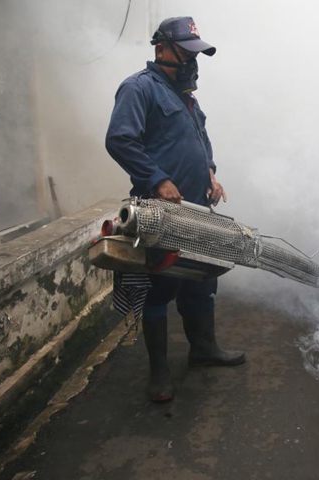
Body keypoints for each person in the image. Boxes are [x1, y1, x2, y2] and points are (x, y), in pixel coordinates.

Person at [105, 16, 245, 404]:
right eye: (186, 53)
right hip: (160, 211)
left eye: (195, 54)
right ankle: (159, 374)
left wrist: (210, 173)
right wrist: (158, 179)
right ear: (162, 49)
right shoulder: (139, 88)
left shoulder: (185, 97)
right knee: (159, 289)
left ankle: (204, 349)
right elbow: (120, 140)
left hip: (196, 208)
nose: (192, 62)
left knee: (201, 280)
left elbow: (201, 140)